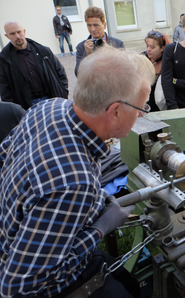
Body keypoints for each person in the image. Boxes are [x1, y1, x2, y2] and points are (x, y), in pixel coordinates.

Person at [0, 46, 154, 298]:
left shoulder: (48, 108)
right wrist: (100, 228)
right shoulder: (74, 184)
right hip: (50, 286)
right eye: (141, 107)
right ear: (115, 111)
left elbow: (3, 157)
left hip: (14, 236)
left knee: (129, 283)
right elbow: (17, 287)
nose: (140, 114)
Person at [0, 21, 68, 110]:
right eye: (12, 34)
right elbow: (4, 88)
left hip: (51, 99)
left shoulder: (44, 51)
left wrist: (63, 92)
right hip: (26, 105)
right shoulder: (4, 59)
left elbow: (60, 73)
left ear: (24, 31)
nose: (17, 36)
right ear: (7, 36)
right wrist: (14, 109)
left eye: (19, 32)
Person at [75, 6, 125, 76]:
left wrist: (109, 50)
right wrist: (86, 55)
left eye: (96, 25)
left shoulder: (118, 44)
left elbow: (125, 70)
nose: (92, 29)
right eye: (89, 25)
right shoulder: (81, 47)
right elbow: (78, 74)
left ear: (104, 25)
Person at [142, 30, 170, 111]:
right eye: (147, 46)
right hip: (144, 105)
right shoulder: (142, 58)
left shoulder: (166, 62)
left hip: (160, 105)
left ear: (162, 48)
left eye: (152, 47)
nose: (148, 50)